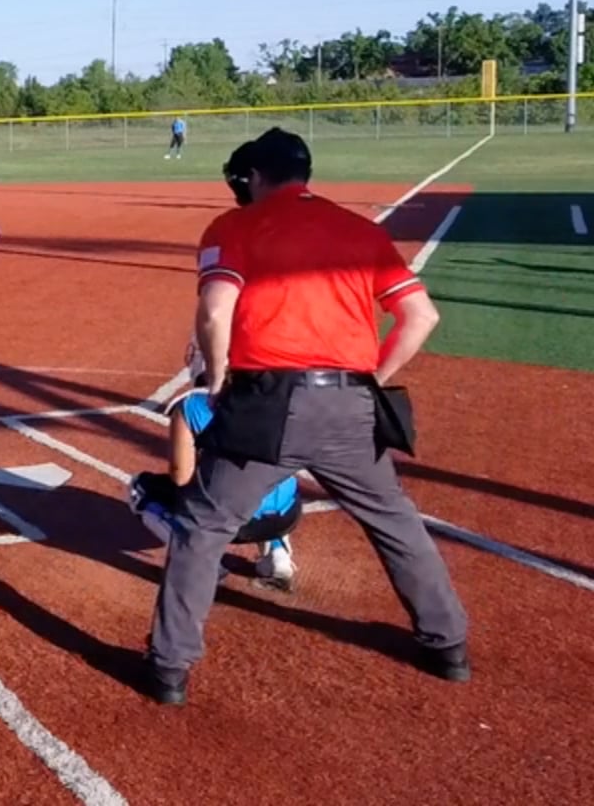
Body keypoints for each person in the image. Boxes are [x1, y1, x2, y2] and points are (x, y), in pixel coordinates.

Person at [141, 128, 466, 706]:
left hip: (268, 403)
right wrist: (372, 378)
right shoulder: (361, 230)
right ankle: (449, 646)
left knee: (203, 525)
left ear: (255, 177)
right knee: (393, 520)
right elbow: (421, 316)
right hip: (351, 404)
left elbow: (215, 312)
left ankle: (170, 668)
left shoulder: (235, 226)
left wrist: (216, 379)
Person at [129, 343, 299, 590]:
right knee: (267, 478)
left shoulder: (192, 405)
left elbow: (180, 478)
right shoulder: (276, 394)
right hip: (288, 513)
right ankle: (278, 556)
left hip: (231, 519)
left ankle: (203, 566)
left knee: (141, 490)